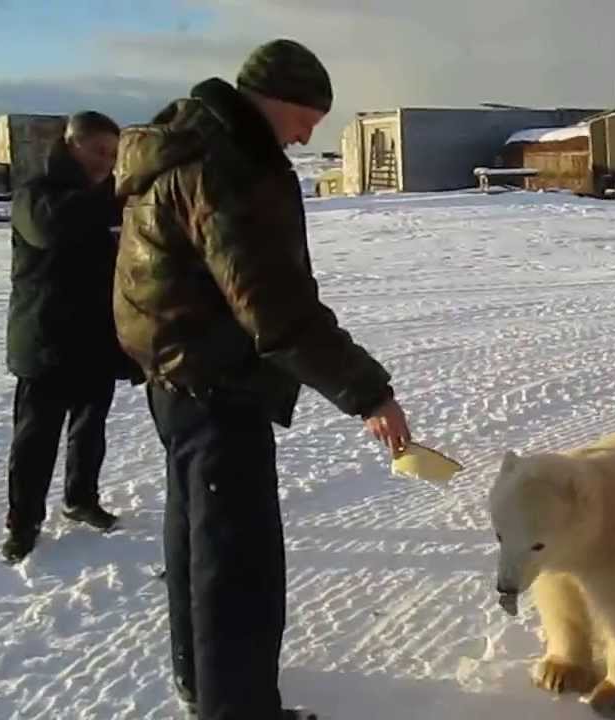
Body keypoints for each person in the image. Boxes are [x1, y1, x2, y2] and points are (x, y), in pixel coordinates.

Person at [113, 39, 411, 719]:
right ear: (274, 100)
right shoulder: (231, 165)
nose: (309, 136)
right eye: (308, 117)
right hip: (217, 378)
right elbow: (275, 310)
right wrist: (367, 392)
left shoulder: (180, 144)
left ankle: (204, 683)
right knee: (237, 562)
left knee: (196, 538)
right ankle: (238, 707)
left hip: (172, 374)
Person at [2, 111, 137, 564]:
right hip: (45, 336)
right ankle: (23, 523)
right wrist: (116, 200)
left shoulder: (106, 198)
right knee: (35, 439)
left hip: (96, 336)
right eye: (99, 151)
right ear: (71, 145)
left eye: (114, 156)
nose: (106, 163)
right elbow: (50, 229)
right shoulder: (34, 192)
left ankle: (82, 498)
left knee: (89, 427)